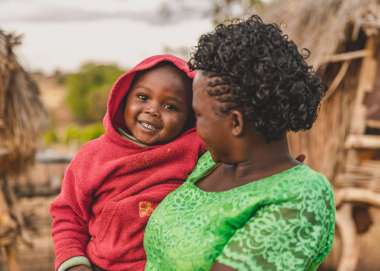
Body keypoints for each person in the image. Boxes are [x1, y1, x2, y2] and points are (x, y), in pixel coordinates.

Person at [144, 15, 335, 271]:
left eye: (199, 115)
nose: (194, 128)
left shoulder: (301, 197)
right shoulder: (208, 163)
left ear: (235, 122)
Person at [50, 55, 205, 271]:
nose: (152, 110)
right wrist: (73, 262)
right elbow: (68, 214)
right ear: (123, 99)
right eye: (142, 97)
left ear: (190, 116)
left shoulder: (195, 150)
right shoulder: (93, 156)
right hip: (100, 266)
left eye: (170, 107)